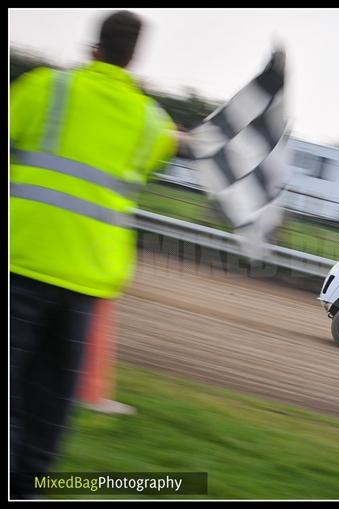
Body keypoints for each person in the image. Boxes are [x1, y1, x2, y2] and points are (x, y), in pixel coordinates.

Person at [10, 10, 178, 498]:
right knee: (50, 406)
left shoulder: (46, 87)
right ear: (135, 55)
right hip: (85, 286)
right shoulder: (149, 121)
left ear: (95, 45)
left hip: (21, 263)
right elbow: (169, 145)